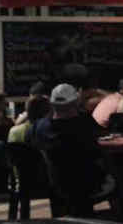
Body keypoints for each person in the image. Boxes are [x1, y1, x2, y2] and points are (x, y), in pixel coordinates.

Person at [32, 83, 107, 217]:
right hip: (85, 183)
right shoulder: (83, 124)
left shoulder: (40, 126)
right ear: (75, 103)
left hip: (51, 182)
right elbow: (98, 149)